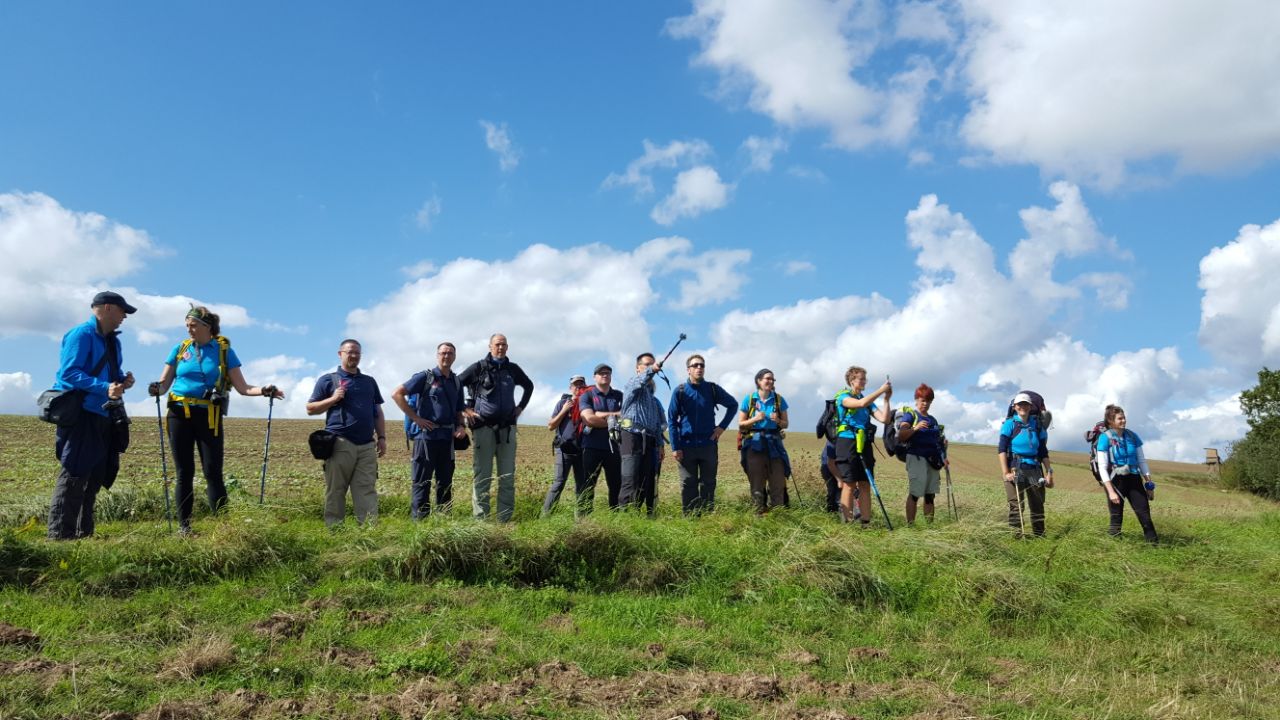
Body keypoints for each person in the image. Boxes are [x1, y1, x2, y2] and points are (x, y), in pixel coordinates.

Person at [147, 306, 282, 534]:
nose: (189, 329)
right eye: (187, 325)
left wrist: (265, 390)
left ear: (207, 327)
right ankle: (184, 527)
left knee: (213, 472)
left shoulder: (223, 351)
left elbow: (243, 387)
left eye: (193, 325)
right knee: (184, 472)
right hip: (178, 413)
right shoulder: (180, 349)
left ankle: (223, 527)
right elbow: (163, 385)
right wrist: (155, 389)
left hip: (208, 415)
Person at [47, 291, 137, 540]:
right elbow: (69, 374)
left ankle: (83, 533)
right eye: (122, 311)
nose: (124, 318)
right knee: (74, 474)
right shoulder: (81, 334)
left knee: (95, 475)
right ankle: (60, 536)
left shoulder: (113, 341)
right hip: (82, 413)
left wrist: (122, 381)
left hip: (103, 413)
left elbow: (111, 374)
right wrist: (104, 387)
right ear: (107, 308)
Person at [307, 339, 386, 527]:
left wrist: (382, 437)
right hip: (340, 443)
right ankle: (335, 531)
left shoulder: (369, 382)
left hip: (367, 445)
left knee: (366, 489)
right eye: (350, 352)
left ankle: (368, 532)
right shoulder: (328, 380)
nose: (354, 356)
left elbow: (378, 411)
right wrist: (333, 399)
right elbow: (311, 408)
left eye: (357, 353)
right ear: (340, 354)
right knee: (336, 490)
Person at [458, 334, 534, 522]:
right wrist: (465, 409)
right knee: (482, 477)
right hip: (483, 428)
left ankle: (504, 521)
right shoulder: (478, 368)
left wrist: (520, 408)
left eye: (503, 345)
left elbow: (529, 386)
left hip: (507, 430)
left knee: (507, 477)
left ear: (507, 347)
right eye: (497, 344)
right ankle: (480, 521)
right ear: (490, 346)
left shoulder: (512, 369)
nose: (500, 348)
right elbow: (455, 383)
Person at [391, 342, 467, 519]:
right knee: (421, 483)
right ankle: (420, 525)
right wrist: (416, 418)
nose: (446, 356)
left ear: (454, 357)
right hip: (425, 438)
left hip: (447, 439)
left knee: (445, 483)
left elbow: (458, 410)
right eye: (443, 353)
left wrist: (461, 426)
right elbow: (397, 393)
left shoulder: (456, 381)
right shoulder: (425, 377)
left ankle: (444, 522)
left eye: (449, 353)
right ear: (437, 355)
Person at [668, 354, 737, 515]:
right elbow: (671, 419)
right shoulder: (680, 391)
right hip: (686, 446)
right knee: (688, 483)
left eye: (702, 365)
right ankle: (690, 519)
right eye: (695, 365)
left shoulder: (712, 389)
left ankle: (707, 517)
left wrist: (721, 427)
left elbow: (733, 405)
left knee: (708, 483)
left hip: (708, 445)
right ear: (688, 370)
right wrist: (675, 446)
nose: (699, 368)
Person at [833, 367, 894, 527]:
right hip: (847, 442)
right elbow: (860, 403)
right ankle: (848, 522)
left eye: (865, 379)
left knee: (865, 483)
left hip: (864, 442)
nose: (864, 381)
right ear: (852, 380)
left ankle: (865, 523)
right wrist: (881, 390)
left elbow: (884, 419)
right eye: (861, 378)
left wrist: (886, 399)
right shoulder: (842, 396)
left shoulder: (868, 402)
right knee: (849, 482)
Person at [1096, 404, 1158, 543]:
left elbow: (1141, 461)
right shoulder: (1104, 438)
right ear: (1111, 421)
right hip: (1116, 481)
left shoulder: (1132, 436)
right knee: (1116, 515)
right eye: (1120, 419)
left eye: (1124, 418)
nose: (1123, 421)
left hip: (1134, 478)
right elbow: (1102, 467)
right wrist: (1111, 491)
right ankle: (1114, 547)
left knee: (1144, 514)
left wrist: (1149, 484)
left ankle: (1154, 546)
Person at [998, 393, 1054, 537]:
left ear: (1030, 407)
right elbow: (1002, 449)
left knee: (1037, 505)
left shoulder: (1037, 425)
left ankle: (1039, 536)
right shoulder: (1010, 424)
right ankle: (1016, 536)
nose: (1023, 407)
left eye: (1026, 404)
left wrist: (1049, 472)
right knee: (1016, 505)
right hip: (1015, 467)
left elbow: (1043, 451)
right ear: (1015, 407)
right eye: (1020, 404)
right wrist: (1006, 472)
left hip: (1035, 468)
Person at [618, 353, 666, 515]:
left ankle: (638, 516)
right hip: (631, 436)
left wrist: (660, 445)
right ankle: (625, 518)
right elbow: (640, 381)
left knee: (645, 482)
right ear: (638, 368)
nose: (650, 367)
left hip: (650, 441)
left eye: (652, 364)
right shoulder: (632, 384)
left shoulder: (654, 401)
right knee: (630, 480)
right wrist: (652, 369)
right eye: (646, 364)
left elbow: (659, 426)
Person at [737, 369, 790, 514]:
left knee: (778, 481)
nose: (771, 381)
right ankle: (758, 515)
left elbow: (786, 424)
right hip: (754, 444)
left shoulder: (779, 400)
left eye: (772, 379)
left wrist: (778, 420)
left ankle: (778, 515)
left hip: (774, 443)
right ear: (758, 381)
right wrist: (755, 419)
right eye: (767, 379)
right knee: (757, 482)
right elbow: (741, 424)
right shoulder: (749, 399)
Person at [895, 383, 947, 526]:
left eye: (928, 400)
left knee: (930, 495)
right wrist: (915, 428)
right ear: (916, 400)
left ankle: (929, 527)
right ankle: (910, 525)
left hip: (933, 460)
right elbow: (902, 435)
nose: (925, 403)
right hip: (916, 457)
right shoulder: (910, 415)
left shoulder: (933, 420)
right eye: (922, 400)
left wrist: (944, 455)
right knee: (915, 493)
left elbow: (938, 441)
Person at [577, 364, 625, 515]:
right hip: (591, 447)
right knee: (588, 485)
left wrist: (600, 414)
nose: (605, 375)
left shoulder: (619, 395)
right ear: (594, 376)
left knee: (616, 485)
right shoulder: (587, 395)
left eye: (608, 373)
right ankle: (584, 520)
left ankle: (615, 520)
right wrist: (612, 420)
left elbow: (627, 416)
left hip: (615, 447)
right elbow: (589, 419)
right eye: (601, 373)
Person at [541, 375, 587, 517]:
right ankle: (546, 517)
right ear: (570, 387)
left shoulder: (588, 403)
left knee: (582, 485)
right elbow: (551, 426)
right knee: (559, 483)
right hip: (564, 449)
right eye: (575, 385)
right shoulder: (562, 403)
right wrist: (565, 409)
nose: (578, 387)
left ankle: (581, 521)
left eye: (581, 385)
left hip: (582, 450)